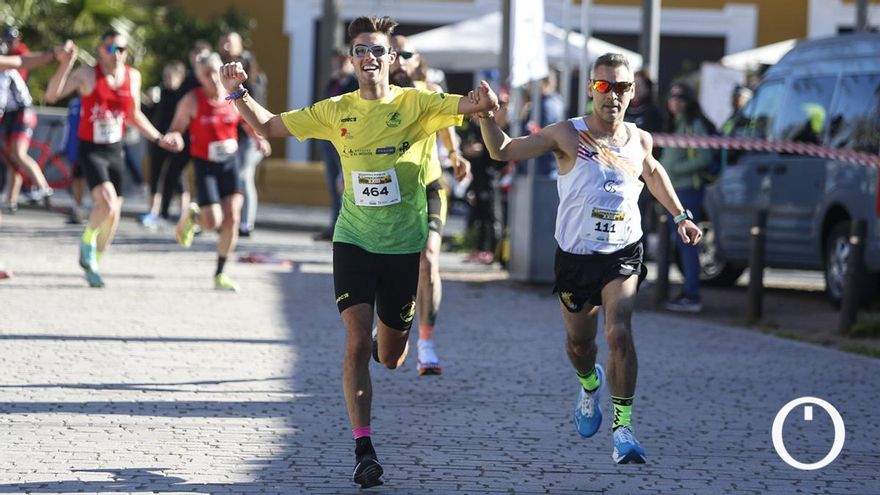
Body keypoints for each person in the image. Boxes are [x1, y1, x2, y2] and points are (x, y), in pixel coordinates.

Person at [217, 15, 494, 487]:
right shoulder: (335, 109)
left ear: (390, 59)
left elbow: (467, 106)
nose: (369, 57)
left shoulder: (417, 103)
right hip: (354, 241)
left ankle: (398, 343)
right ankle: (364, 449)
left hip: (403, 245)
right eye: (361, 49)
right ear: (352, 59)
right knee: (354, 342)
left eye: (377, 50)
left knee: (389, 355)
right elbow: (268, 125)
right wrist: (237, 92)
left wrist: (484, 103)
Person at [475, 53, 702, 464]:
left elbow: (652, 172)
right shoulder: (567, 134)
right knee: (582, 344)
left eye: (620, 87)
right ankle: (588, 383)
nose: (611, 96)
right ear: (591, 89)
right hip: (576, 257)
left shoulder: (640, 139)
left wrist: (680, 215)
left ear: (632, 92)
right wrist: (487, 116)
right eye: (603, 86)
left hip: (623, 252)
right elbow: (503, 151)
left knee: (618, 332)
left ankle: (623, 429)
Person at [46, 30, 168, 288]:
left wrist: (158, 138)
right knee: (108, 203)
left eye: (123, 49)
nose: (119, 54)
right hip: (91, 149)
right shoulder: (88, 74)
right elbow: (51, 95)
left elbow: (134, 115)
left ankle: (94, 264)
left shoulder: (132, 77)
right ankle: (87, 239)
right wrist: (66, 65)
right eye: (113, 49)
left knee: (114, 215)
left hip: (115, 149)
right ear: (101, 50)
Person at [390, 33, 471, 376]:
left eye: (404, 53)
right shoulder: (372, 96)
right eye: (391, 52)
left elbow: (446, 121)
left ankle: (426, 343)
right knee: (392, 264)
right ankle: (392, 323)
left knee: (429, 261)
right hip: (391, 189)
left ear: (416, 59)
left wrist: (454, 154)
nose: (397, 59)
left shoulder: (427, 91)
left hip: (430, 184)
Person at [160, 52, 270, 291]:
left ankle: (220, 272)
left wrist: (258, 139)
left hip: (230, 164)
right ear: (199, 78)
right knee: (213, 221)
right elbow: (177, 127)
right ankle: (195, 218)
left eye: (214, 71)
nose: (211, 77)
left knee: (234, 217)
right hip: (205, 165)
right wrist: (174, 137)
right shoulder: (192, 100)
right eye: (205, 73)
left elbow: (246, 120)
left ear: (221, 71)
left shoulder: (233, 97)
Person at [660, 83, 714, 313]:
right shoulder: (677, 123)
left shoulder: (694, 125)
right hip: (675, 191)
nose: (675, 100)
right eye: (672, 96)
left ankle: (692, 294)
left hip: (687, 192)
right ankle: (687, 290)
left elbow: (704, 158)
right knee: (680, 245)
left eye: (681, 96)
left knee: (689, 244)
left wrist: (675, 170)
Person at [0, 40, 61, 212]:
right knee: (12, 157)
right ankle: (11, 202)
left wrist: (53, 53)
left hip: (21, 112)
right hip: (11, 114)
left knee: (18, 154)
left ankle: (44, 188)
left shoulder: (5, 72)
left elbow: (2, 100)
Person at [218, 31, 266, 238]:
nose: (226, 45)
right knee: (229, 176)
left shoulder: (254, 77)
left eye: (231, 41)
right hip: (229, 134)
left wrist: (260, 136)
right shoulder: (218, 70)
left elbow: (257, 109)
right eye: (224, 41)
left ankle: (246, 223)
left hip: (250, 135)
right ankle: (229, 220)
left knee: (243, 176)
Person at [314, 49, 358, 241]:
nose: (339, 64)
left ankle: (345, 228)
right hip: (329, 138)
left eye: (342, 61)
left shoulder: (354, 83)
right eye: (336, 61)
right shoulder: (333, 82)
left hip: (345, 139)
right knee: (333, 186)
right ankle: (335, 225)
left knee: (344, 185)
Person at [141, 60, 187, 228]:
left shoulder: (184, 96)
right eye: (165, 76)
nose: (167, 79)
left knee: (179, 179)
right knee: (155, 176)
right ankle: (152, 212)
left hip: (176, 141)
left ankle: (183, 214)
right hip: (159, 140)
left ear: (180, 77)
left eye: (170, 76)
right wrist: (149, 102)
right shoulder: (159, 93)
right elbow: (147, 115)